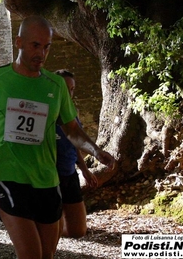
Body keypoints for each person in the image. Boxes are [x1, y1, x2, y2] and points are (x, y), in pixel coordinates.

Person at [0, 16, 116, 259]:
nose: (42, 53)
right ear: (19, 42)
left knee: (47, 255)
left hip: (46, 179)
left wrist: (95, 150)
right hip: (8, 176)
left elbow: (72, 130)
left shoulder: (56, 85)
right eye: (35, 45)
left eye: (47, 47)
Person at [54, 69, 113, 239]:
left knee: (77, 231)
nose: (69, 93)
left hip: (69, 172)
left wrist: (85, 169)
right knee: (51, 230)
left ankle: (55, 229)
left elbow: (75, 141)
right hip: (49, 175)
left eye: (72, 89)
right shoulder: (44, 112)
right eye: (65, 88)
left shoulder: (73, 111)